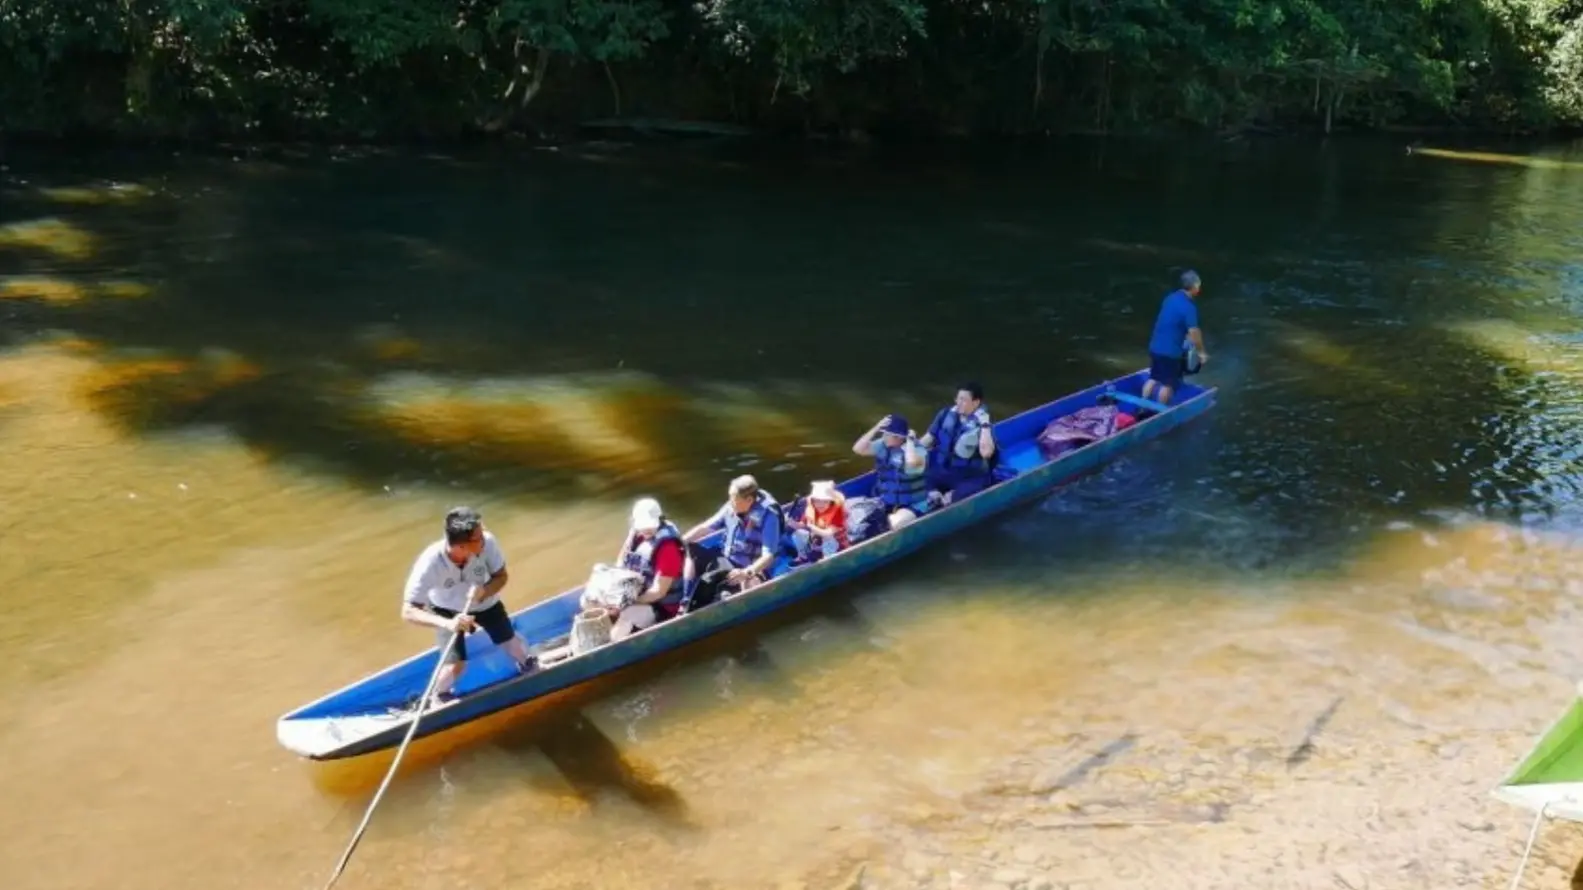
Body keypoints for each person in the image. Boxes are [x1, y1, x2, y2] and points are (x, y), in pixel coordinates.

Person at [400, 506, 535, 703]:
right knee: (455, 665)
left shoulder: (488, 543)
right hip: (447, 612)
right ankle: (437, 697)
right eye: (479, 537)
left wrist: (485, 592)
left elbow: (501, 576)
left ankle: (530, 667)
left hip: (486, 603)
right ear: (461, 546)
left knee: (511, 643)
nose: (485, 537)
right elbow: (408, 611)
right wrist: (448, 623)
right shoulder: (429, 563)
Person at [682, 474, 784, 607]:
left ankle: (735, 605)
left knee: (749, 583)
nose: (730, 501)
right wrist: (682, 540)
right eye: (730, 497)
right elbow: (706, 527)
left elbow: (768, 556)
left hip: (752, 568)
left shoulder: (769, 516)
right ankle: (685, 598)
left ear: (749, 500)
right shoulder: (731, 506)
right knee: (691, 550)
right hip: (728, 561)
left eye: (734, 498)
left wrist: (747, 572)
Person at [609, 497, 689, 640]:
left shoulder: (668, 547)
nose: (646, 529)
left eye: (650, 525)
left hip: (661, 606)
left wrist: (627, 602)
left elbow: (658, 592)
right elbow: (622, 560)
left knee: (626, 618)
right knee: (592, 599)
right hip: (636, 592)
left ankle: (609, 647)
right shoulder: (636, 532)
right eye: (642, 526)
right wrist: (615, 593)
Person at [918, 383, 997, 504]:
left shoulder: (984, 425)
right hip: (944, 470)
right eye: (958, 399)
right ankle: (934, 494)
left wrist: (985, 425)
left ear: (975, 402)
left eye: (964, 400)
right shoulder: (945, 414)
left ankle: (949, 498)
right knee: (914, 480)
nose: (958, 403)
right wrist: (911, 449)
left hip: (970, 476)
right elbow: (928, 438)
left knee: (952, 499)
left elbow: (986, 453)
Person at [1142, 269, 1209, 406]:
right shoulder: (1189, 307)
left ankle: (1142, 405)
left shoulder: (1170, 298)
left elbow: (1171, 322)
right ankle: (1159, 412)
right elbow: (1194, 333)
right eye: (1199, 285)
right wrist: (1201, 353)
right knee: (1168, 385)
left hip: (1155, 347)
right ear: (1195, 287)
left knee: (1153, 378)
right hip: (1170, 353)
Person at [852, 414, 932, 528]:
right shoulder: (883, 445)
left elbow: (910, 462)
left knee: (894, 522)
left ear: (898, 437)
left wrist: (909, 440)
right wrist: (876, 427)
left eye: (887, 434)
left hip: (912, 504)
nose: (883, 437)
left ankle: (935, 501)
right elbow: (858, 449)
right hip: (886, 499)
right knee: (859, 517)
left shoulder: (918, 451)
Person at [790, 479, 848, 562]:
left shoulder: (837, 514)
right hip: (817, 543)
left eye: (825, 501)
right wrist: (791, 523)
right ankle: (803, 557)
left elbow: (827, 533)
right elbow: (801, 525)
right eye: (817, 501)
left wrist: (812, 527)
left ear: (831, 502)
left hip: (837, 546)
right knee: (797, 534)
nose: (820, 504)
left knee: (828, 539)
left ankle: (827, 561)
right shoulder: (811, 510)